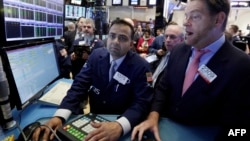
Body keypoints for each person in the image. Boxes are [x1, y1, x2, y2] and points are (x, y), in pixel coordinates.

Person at [131, 0, 250, 141]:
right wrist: (153, 115)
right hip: (166, 131)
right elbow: (164, 87)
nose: (186, 23)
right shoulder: (178, 50)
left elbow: (241, 129)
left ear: (218, 19)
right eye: (186, 16)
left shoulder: (242, 65)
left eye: (195, 16)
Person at [32, 19, 153, 141]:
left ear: (131, 44)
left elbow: (141, 103)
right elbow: (79, 85)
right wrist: (60, 115)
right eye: (112, 36)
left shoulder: (142, 67)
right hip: (94, 121)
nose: (115, 42)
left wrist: (120, 125)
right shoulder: (96, 56)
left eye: (122, 38)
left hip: (122, 123)